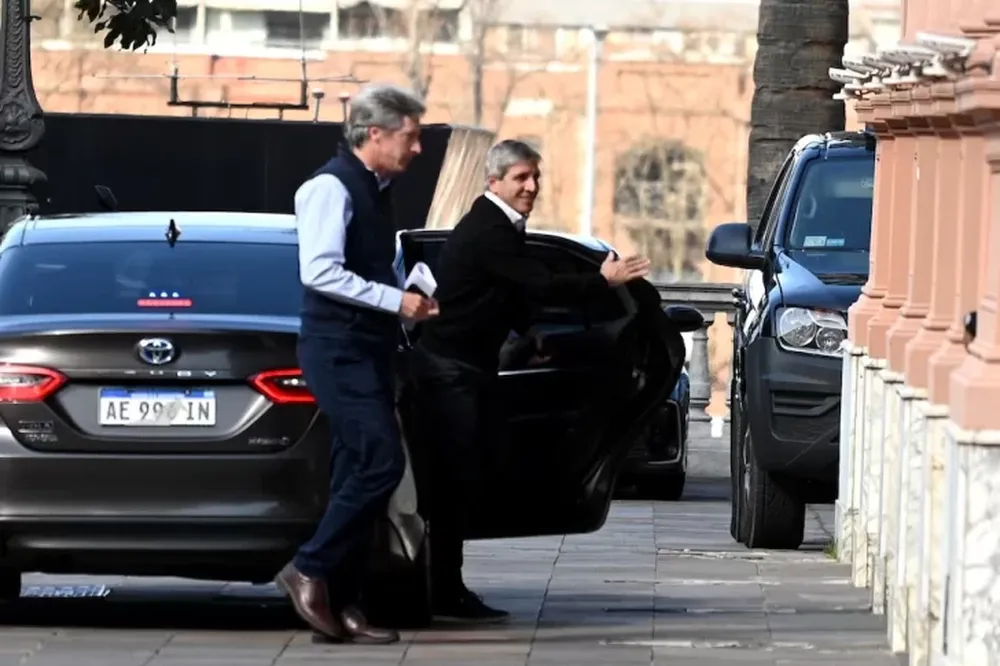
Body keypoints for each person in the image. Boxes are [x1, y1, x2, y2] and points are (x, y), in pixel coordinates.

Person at [411, 139, 651, 623]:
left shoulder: (498, 225)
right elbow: (537, 281)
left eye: (535, 177)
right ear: (494, 181)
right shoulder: (490, 229)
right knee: (453, 483)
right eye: (521, 177)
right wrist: (602, 281)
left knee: (461, 479)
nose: (531, 186)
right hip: (451, 370)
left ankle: (444, 587)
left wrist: (529, 330)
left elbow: (505, 289)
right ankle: (444, 591)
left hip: (465, 367)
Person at [275, 83, 439, 645]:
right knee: (379, 462)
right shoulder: (329, 187)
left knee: (353, 470)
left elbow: (369, 268)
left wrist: (410, 297)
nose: (417, 148)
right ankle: (309, 569)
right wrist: (395, 300)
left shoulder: (376, 189)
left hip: (365, 348)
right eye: (410, 136)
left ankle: (341, 601)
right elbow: (319, 271)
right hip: (337, 349)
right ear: (375, 133)